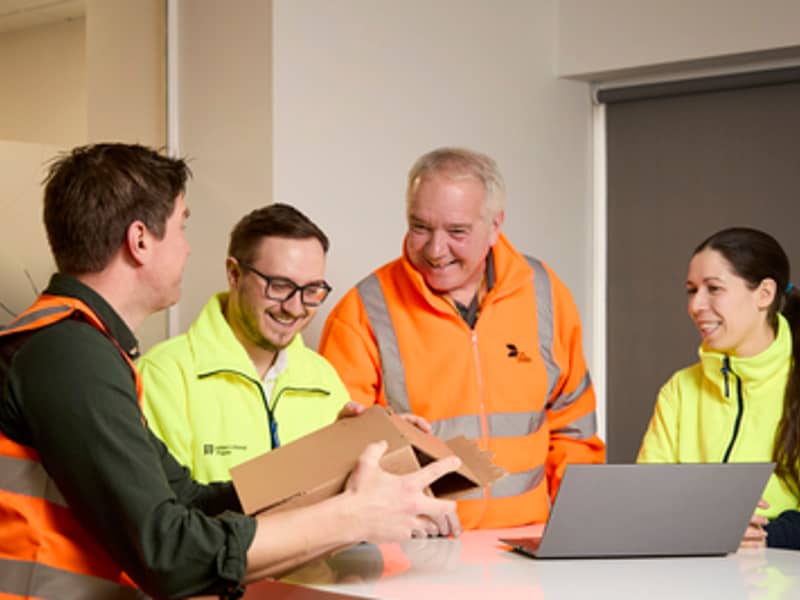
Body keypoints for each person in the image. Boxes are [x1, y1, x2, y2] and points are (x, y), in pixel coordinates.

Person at [0, 143, 461, 599]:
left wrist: (335, 456)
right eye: (181, 228)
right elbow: (171, 555)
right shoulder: (69, 354)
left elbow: (193, 500)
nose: (186, 249)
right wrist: (356, 517)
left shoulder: (85, 349)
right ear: (140, 241)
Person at [319, 147, 605, 530]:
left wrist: (578, 528)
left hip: (527, 549)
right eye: (420, 227)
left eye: (457, 232)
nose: (436, 251)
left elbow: (573, 427)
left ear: (495, 226)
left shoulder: (545, 293)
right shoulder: (364, 309)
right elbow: (339, 451)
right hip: (414, 552)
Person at [138, 203, 349, 483]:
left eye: (311, 290)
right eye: (280, 286)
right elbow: (168, 515)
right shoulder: (163, 375)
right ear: (234, 274)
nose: (296, 307)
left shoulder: (325, 380)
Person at [638, 227, 800, 550]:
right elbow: (645, 504)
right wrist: (708, 523)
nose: (696, 305)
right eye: (691, 290)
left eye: (713, 288)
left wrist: (767, 536)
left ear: (764, 294)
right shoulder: (678, 391)